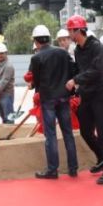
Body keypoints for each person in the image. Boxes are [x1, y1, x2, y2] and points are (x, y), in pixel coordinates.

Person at [65, 15, 103, 185]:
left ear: (78, 31)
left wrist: (75, 80)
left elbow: (97, 70)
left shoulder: (96, 47)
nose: (68, 34)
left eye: (70, 31)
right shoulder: (77, 50)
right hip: (87, 92)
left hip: (101, 92)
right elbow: (79, 69)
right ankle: (102, 157)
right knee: (85, 131)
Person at [28, 25, 79, 179]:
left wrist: (32, 85)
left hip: (48, 99)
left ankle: (52, 169)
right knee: (67, 133)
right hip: (64, 97)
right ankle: (73, 168)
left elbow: (35, 80)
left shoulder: (36, 58)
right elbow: (73, 71)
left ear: (36, 41)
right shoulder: (62, 52)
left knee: (50, 135)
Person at [0, 42, 15, 122]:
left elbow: (4, 81)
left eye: (1, 53)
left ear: (6, 53)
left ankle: (11, 130)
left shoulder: (8, 66)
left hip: (6, 95)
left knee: (9, 118)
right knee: (3, 116)